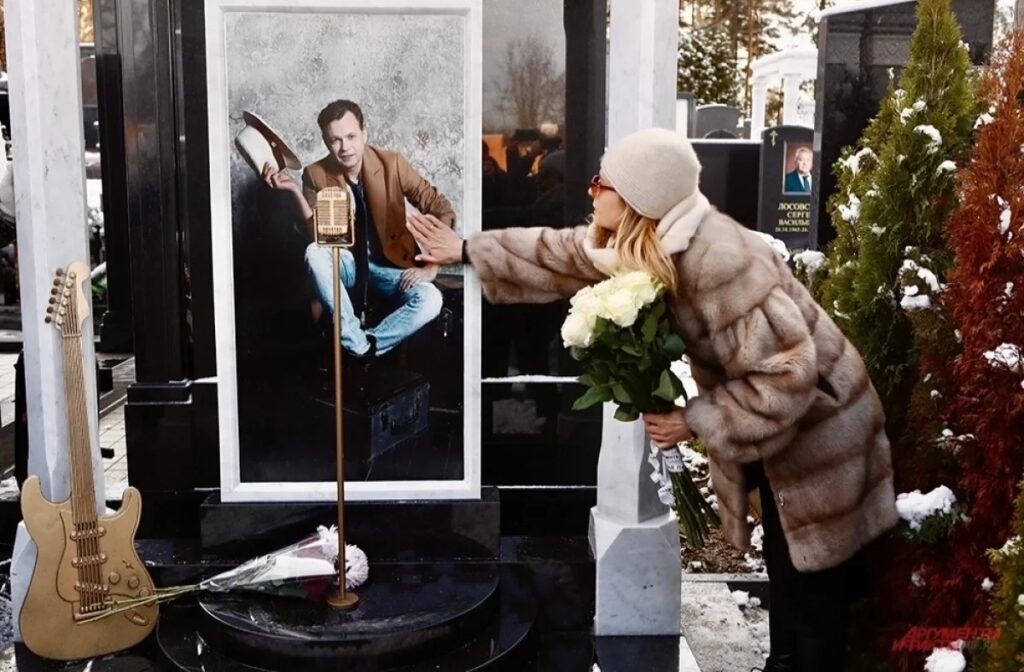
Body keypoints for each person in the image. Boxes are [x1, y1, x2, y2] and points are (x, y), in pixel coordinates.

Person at [407, 128, 899, 671]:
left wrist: (694, 419)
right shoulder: (651, 243)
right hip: (783, 433)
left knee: (813, 601)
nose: (591, 190)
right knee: (792, 586)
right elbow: (561, 254)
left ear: (638, 199)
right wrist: (466, 250)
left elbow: (789, 375)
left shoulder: (718, 262)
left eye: (602, 182)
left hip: (822, 434)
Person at [262, 99, 453, 357]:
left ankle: (367, 345)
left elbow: (441, 208)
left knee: (431, 299)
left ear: (364, 133)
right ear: (326, 141)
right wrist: (295, 193)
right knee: (314, 251)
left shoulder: (393, 164)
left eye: (351, 136)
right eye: (336, 140)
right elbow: (320, 238)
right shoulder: (315, 174)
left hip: (391, 270)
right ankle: (354, 341)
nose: (345, 147)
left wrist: (433, 263)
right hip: (349, 265)